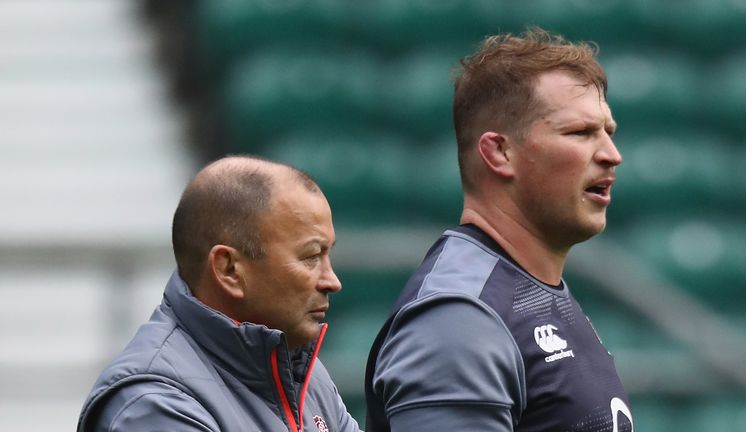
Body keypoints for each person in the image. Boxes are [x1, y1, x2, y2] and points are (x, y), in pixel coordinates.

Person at [365, 28, 634, 431]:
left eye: (608, 133)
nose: (612, 156)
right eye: (580, 133)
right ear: (499, 152)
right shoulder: (459, 318)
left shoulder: (532, 292)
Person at [78, 156, 361, 432]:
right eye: (311, 256)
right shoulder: (152, 403)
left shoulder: (304, 375)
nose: (332, 281)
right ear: (229, 270)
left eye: (328, 254)